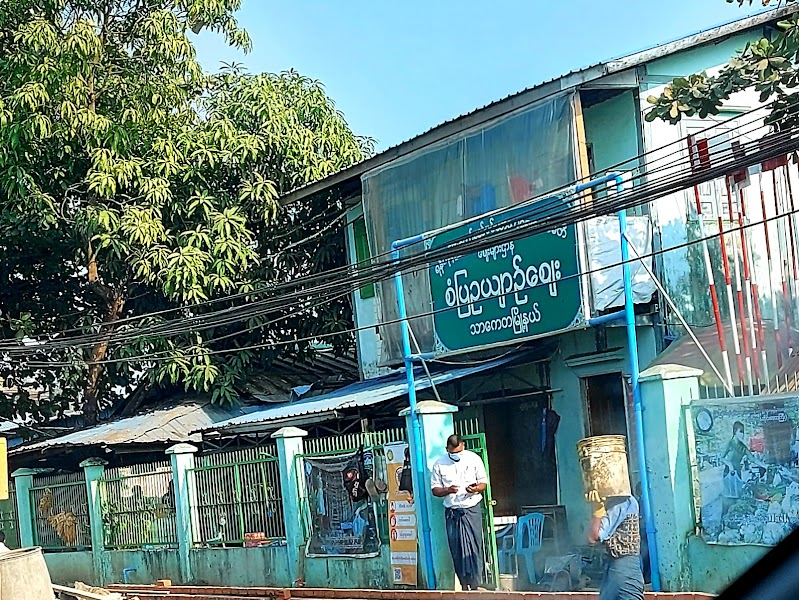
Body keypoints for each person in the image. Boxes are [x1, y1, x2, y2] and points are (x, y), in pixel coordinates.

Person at [430, 434, 488, 591]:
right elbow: (435, 489)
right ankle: (463, 583)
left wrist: (475, 489)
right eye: (453, 453)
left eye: (459, 452)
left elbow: (483, 483)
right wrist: (448, 490)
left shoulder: (473, 459)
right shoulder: (439, 464)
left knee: (474, 546)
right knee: (456, 549)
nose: (457, 456)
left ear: (463, 445)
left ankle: (476, 583)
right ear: (447, 450)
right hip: (452, 512)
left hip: (471, 508)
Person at [587, 492, 644, 600]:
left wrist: (597, 511)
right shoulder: (624, 501)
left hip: (623, 567)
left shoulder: (622, 502)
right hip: (619, 565)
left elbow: (594, 536)